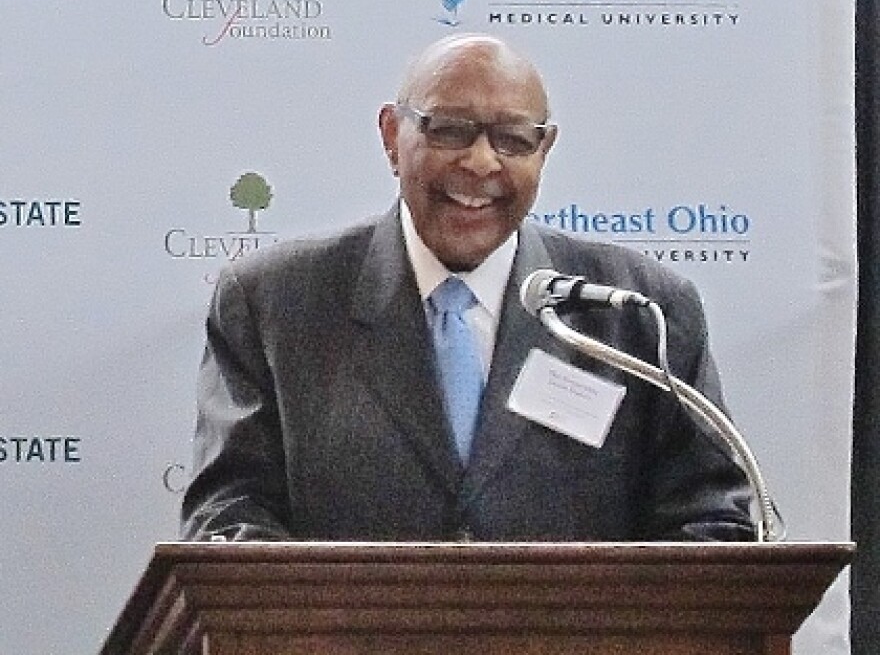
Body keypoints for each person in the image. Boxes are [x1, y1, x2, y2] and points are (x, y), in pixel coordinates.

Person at [180, 33, 757, 542]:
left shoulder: (638, 312)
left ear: (545, 149)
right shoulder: (273, 304)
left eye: (512, 139)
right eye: (450, 130)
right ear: (391, 136)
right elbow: (229, 516)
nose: (482, 162)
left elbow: (709, 520)